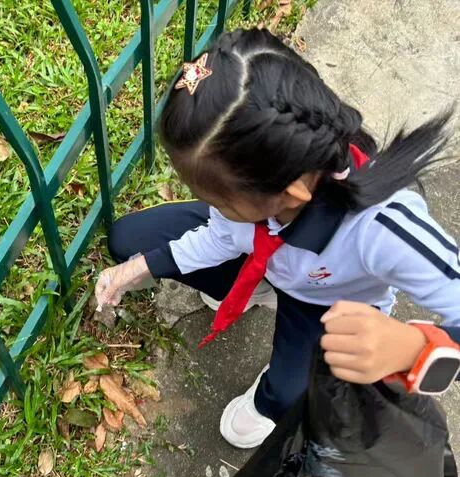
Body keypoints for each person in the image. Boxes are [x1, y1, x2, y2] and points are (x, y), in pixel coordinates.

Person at [94, 28, 459, 448]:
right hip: (267, 258)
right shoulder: (267, 168)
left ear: (291, 192)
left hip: (325, 304)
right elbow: (221, 234)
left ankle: (269, 392)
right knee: (129, 241)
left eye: (219, 200)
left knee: (289, 396)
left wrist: (412, 347)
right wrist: (146, 265)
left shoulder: (383, 227)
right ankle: (258, 289)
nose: (211, 206)